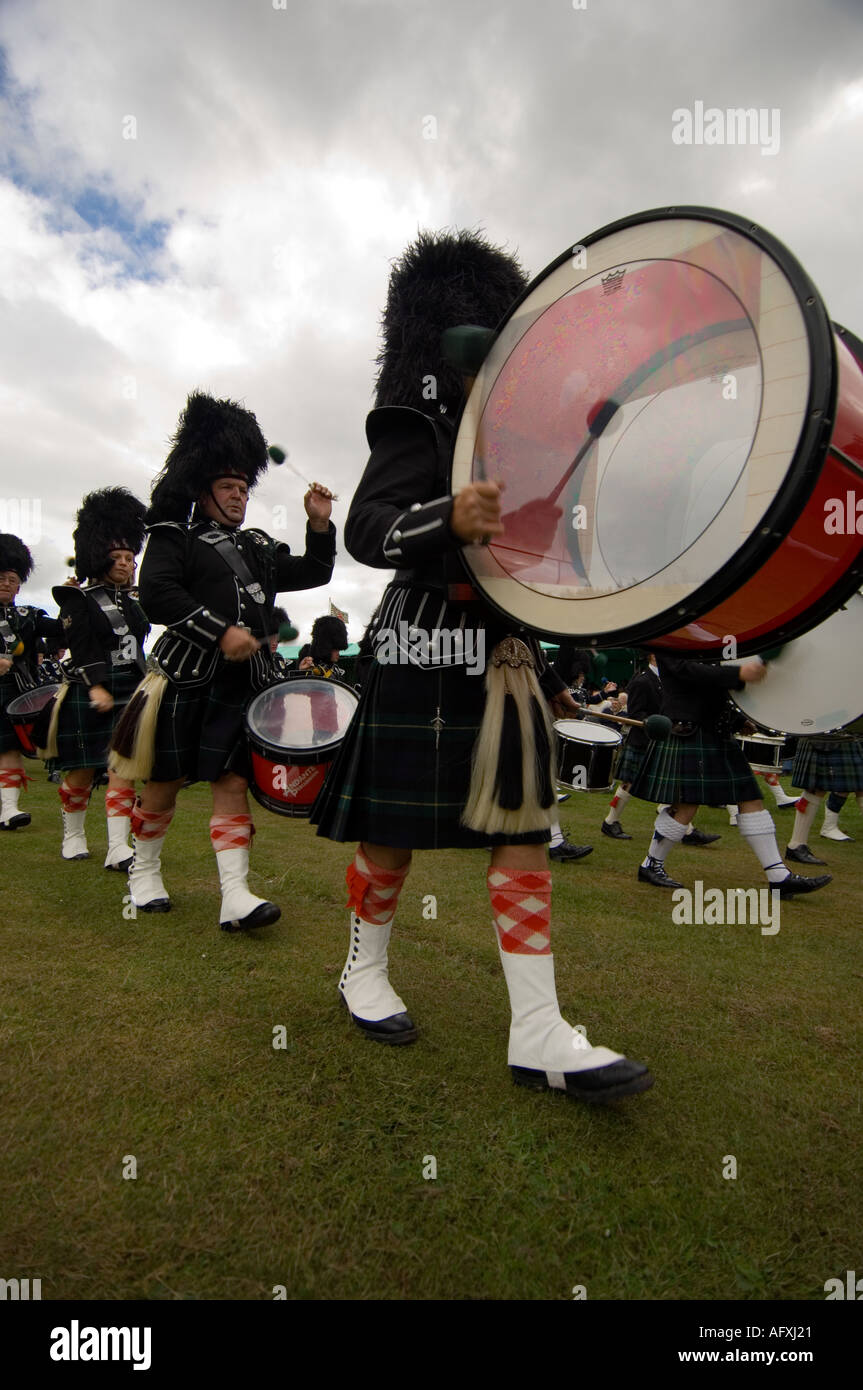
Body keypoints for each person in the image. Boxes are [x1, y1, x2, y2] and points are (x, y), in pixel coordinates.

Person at [312, 229, 652, 1104]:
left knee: (523, 827)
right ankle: (363, 970)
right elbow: (366, 530)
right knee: (390, 833)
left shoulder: (525, 447)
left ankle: (536, 1030)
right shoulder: (412, 429)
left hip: (503, 654)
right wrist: (445, 517)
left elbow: (542, 548)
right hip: (422, 639)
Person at [110, 391, 336, 929]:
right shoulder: (174, 536)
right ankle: (143, 872)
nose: (238, 497)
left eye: (243, 489)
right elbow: (159, 593)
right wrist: (220, 632)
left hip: (245, 685)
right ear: (203, 491)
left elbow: (315, 572)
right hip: (186, 677)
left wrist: (320, 524)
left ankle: (235, 895)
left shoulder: (259, 546)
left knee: (232, 782)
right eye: (228, 488)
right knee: (164, 781)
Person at [630, 655, 831, 896]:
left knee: (750, 797)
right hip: (689, 729)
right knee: (685, 807)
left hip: (717, 730)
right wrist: (738, 674)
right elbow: (687, 670)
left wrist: (736, 719)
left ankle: (778, 875)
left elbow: (714, 683)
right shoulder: (672, 631)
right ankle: (651, 864)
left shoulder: (709, 634)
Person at [41, 488, 149, 866]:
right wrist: (97, 685)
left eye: (130, 557)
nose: (126, 563)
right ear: (97, 557)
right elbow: (82, 646)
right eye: (117, 557)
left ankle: (118, 847)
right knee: (82, 771)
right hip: (91, 690)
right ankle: (73, 835)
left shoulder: (135, 603)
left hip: (130, 690)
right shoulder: (78, 600)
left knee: (123, 768)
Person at [601, 652, 719, 848]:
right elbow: (637, 715)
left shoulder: (668, 679)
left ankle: (687, 830)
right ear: (653, 656)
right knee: (629, 785)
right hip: (643, 741)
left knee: (673, 787)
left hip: (665, 741)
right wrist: (661, 725)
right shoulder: (642, 681)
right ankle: (610, 822)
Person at [0, 534, 63, 829]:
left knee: (9, 750)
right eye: (0, 577)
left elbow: (59, 631)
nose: (5, 583)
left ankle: (9, 810)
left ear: (19, 584)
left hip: (15, 694)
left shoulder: (29, 616)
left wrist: (71, 604)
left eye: (11, 579)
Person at [784, 735, 863, 864]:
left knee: (861, 785)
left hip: (847, 733)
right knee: (814, 789)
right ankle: (796, 845)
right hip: (819, 735)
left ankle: (796, 846)